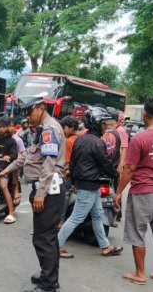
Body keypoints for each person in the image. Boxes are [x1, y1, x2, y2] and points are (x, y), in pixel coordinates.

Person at [0, 94, 66, 292]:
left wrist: (41, 193)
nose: (27, 116)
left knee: (44, 238)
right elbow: (27, 156)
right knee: (45, 237)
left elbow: (49, 164)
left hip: (48, 190)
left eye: (30, 111)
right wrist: (6, 169)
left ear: (41, 108)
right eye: (25, 113)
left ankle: (48, 285)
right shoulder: (41, 129)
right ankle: (48, 275)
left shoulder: (49, 129)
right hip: (47, 190)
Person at [113, 98, 153, 286]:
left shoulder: (140, 138)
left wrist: (118, 192)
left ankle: (140, 273)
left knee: (137, 232)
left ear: (144, 115)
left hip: (142, 192)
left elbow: (130, 168)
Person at [58, 107, 123, 258]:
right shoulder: (97, 142)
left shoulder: (80, 139)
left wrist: (74, 180)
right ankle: (56, 245)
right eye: (103, 124)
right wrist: (116, 174)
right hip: (89, 185)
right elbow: (105, 164)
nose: (105, 127)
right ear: (95, 123)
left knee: (98, 216)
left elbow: (73, 163)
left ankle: (105, 246)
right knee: (77, 217)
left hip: (88, 184)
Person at [107, 107, 129, 222]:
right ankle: (116, 215)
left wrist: (121, 166)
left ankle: (115, 216)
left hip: (117, 165)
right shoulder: (112, 130)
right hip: (113, 163)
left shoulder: (120, 131)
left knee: (115, 190)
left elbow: (124, 149)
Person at [58, 116, 80, 230]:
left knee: (65, 191)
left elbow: (68, 162)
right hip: (84, 172)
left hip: (74, 172)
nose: (63, 130)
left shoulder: (70, 140)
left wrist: (66, 170)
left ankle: (61, 220)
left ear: (71, 128)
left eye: (64, 128)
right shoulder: (82, 137)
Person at [8, 117, 25, 206]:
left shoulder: (18, 140)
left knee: (14, 170)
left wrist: (18, 161)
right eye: (8, 126)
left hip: (14, 163)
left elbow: (23, 153)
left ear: (15, 127)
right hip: (3, 162)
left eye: (12, 126)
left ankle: (15, 191)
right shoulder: (1, 138)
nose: (10, 128)